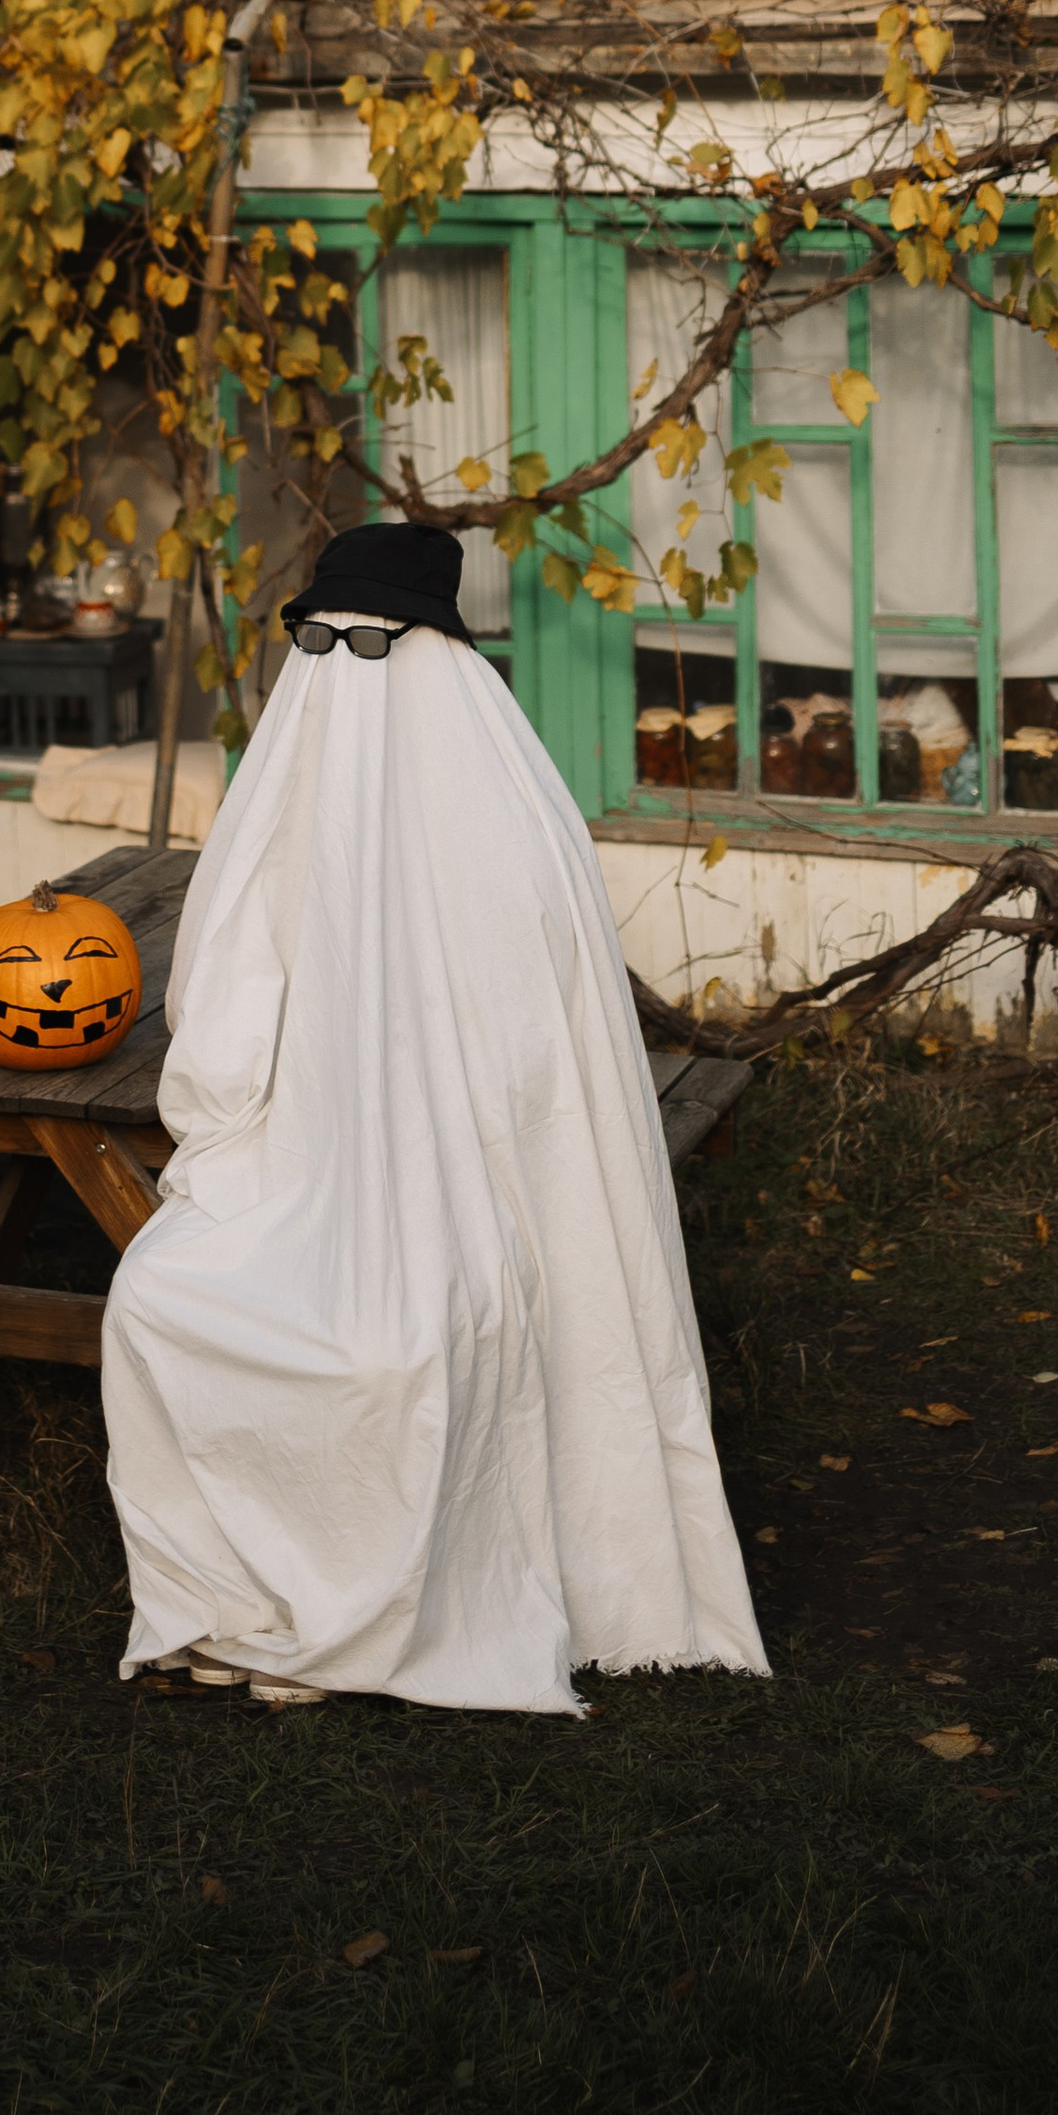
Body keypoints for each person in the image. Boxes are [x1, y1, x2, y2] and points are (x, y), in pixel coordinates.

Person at [100, 521, 767, 1712]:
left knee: (394, 1342)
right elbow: (224, 1006)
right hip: (296, 1160)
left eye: (372, 641)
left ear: (431, 650)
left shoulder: (500, 815)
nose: (340, 661)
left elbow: (533, 1059)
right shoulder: (286, 802)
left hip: (485, 1180)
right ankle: (247, 1594)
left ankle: (365, 1611)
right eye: (319, 636)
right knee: (168, 1300)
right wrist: (237, 1135)